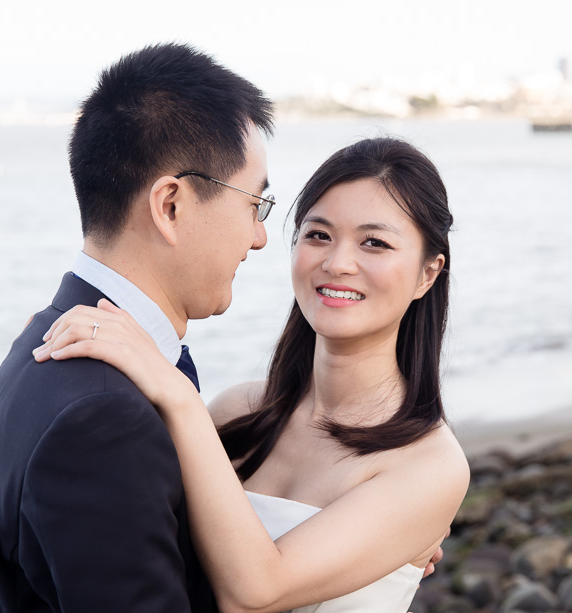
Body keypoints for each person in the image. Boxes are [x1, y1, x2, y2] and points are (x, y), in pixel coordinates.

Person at [35, 137, 470, 612]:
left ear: (428, 274)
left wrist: (175, 393)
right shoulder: (235, 413)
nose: (338, 263)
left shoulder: (429, 465)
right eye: (318, 235)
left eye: (375, 243)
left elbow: (257, 592)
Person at [0, 43, 274, 611]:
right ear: (170, 205)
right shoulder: (102, 417)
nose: (260, 237)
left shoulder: (36, 345)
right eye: (255, 203)